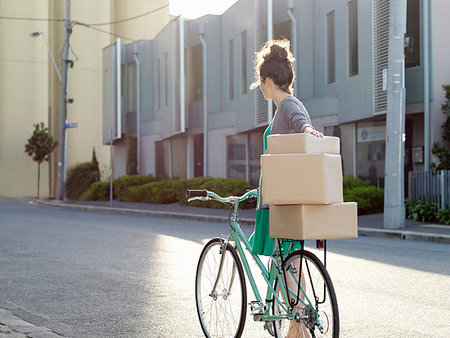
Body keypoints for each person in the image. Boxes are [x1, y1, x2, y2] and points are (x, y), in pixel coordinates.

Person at [249, 39, 323, 338]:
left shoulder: (289, 105)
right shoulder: (282, 109)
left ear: (268, 81)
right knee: (285, 262)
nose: (261, 89)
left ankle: (299, 321)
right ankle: (295, 324)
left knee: (286, 264)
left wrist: (307, 130)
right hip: (279, 201)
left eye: (261, 83)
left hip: (283, 204)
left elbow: (301, 122)